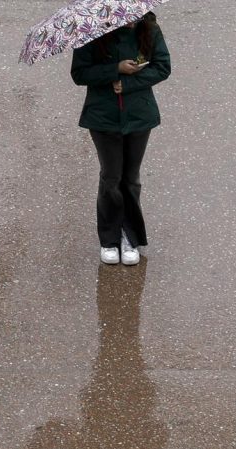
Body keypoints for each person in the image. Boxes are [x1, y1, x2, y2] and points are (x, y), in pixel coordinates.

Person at [71, 12, 171, 265]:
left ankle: (130, 238)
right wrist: (114, 69)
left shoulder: (149, 29)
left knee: (130, 179)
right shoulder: (90, 32)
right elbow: (79, 74)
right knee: (111, 177)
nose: (130, 20)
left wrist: (129, 82)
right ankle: (109, 240)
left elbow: (162, 67)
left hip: (140, 115)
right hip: (102, 117)